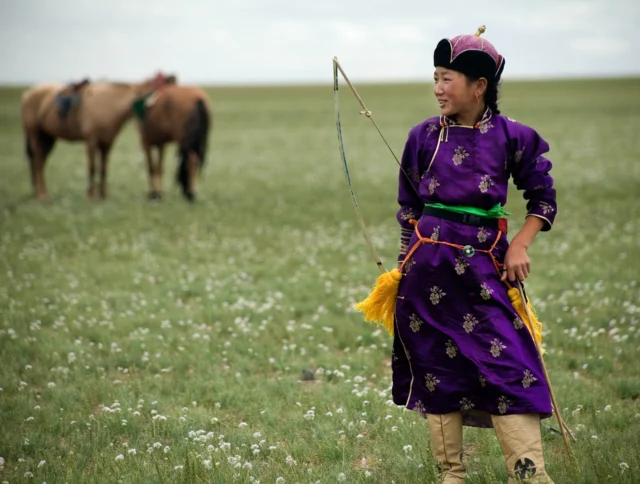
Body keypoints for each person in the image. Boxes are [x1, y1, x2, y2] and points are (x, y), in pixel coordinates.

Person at [391, 26, 557, 483]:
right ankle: (452, 475)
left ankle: (529, 476)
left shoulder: (513, 137)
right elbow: (408, 209)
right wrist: (401, 271)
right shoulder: (422, 137)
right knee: (436, 368)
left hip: (486, 272)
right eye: (436, 77)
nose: (438, 88)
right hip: (426, 276)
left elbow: (542, 200)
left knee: (512, 366)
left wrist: (520, 244)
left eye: (448, 78)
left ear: (479, 86)